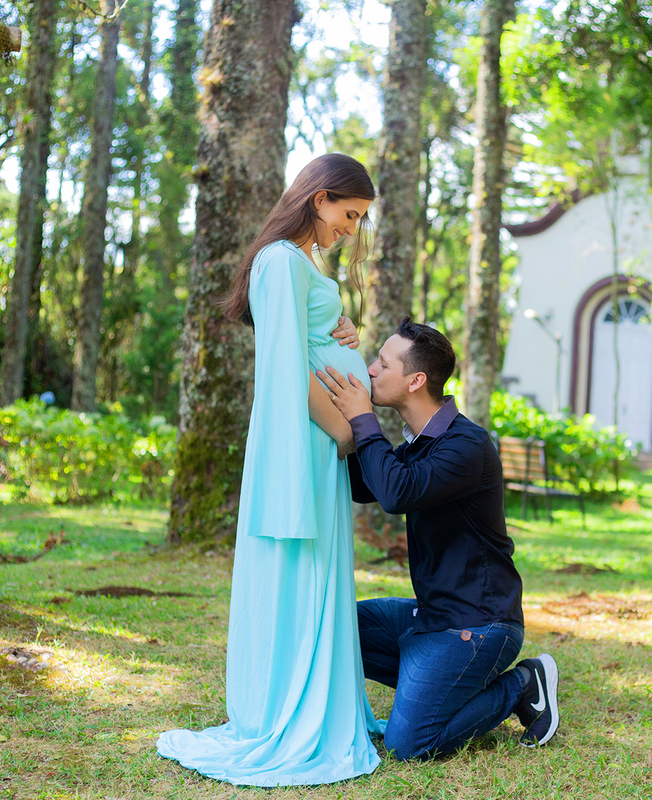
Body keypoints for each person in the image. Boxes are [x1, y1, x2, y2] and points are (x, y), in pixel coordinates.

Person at [157, 153, 384, 786]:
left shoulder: (299, 264)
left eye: (360, 218)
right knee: (298, 570)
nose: (352, 227)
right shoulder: (281, 260)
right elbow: (284, 365)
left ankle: (310, 696)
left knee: (317, 573)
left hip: (319, 440)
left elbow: (308, 340)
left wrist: (340, 333)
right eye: (349, 213)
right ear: (319, 198)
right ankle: (285, 708)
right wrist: (349, 430)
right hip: (309, 439)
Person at [315, 318, 561, 761]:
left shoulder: (466, 445)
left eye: (381, 364)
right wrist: (341, 358)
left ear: (415, 380)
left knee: (410, 745)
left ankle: (523, 683)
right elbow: (367, 485)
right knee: (329, 628)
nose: (371, 370)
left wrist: (363, 419)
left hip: (478, 625)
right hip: (430, 618)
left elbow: (397, 493)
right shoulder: (417, 445)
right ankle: (448, 681)